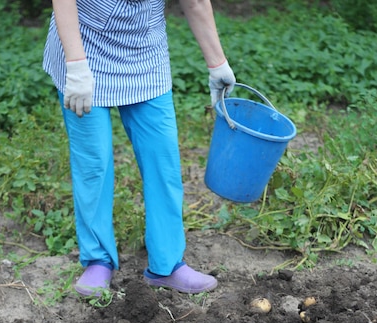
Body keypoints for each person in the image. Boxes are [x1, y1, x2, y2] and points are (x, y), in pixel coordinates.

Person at [43, 0, 235, 296]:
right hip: (83, 48)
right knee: (94, 163)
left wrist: (217, 64)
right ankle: (98, 260)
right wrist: (77, 66)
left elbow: (194, 1)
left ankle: (167, 265)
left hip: (145, 53)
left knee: (163, 159)